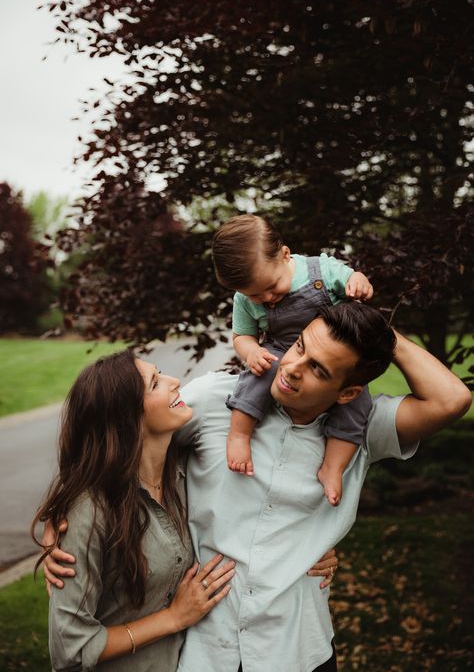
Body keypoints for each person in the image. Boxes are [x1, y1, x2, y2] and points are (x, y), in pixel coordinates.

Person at [44, 303, 471, 672]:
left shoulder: (363, 430)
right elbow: (120, 436)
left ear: (349, 392)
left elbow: (451, 400)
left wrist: (378, 330)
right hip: (204, 652)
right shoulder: (216, 399)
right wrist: (62, 518)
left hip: (298, 650)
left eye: (318, 369)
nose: (291, 368)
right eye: (300, 346)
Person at [32, 350, 236, 671]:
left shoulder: (186, 471)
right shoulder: (91, 512)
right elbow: (70, 649)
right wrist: (173, 618)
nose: (175, 382)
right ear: (126, 417)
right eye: (155, 383)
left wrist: (315, 542)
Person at [212, 213, 374, 505]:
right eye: (255, 296)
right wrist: (251, 352)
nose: (267, 298)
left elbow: (352, 277)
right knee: (258, 375)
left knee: (357, 401)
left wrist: (358, 281)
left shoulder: (320, 270)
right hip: (281, 349)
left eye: (272, 287)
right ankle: (238, 435)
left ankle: (332, 467)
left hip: (330, 357)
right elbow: (242, 336)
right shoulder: (244, 299)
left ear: (286, 255)